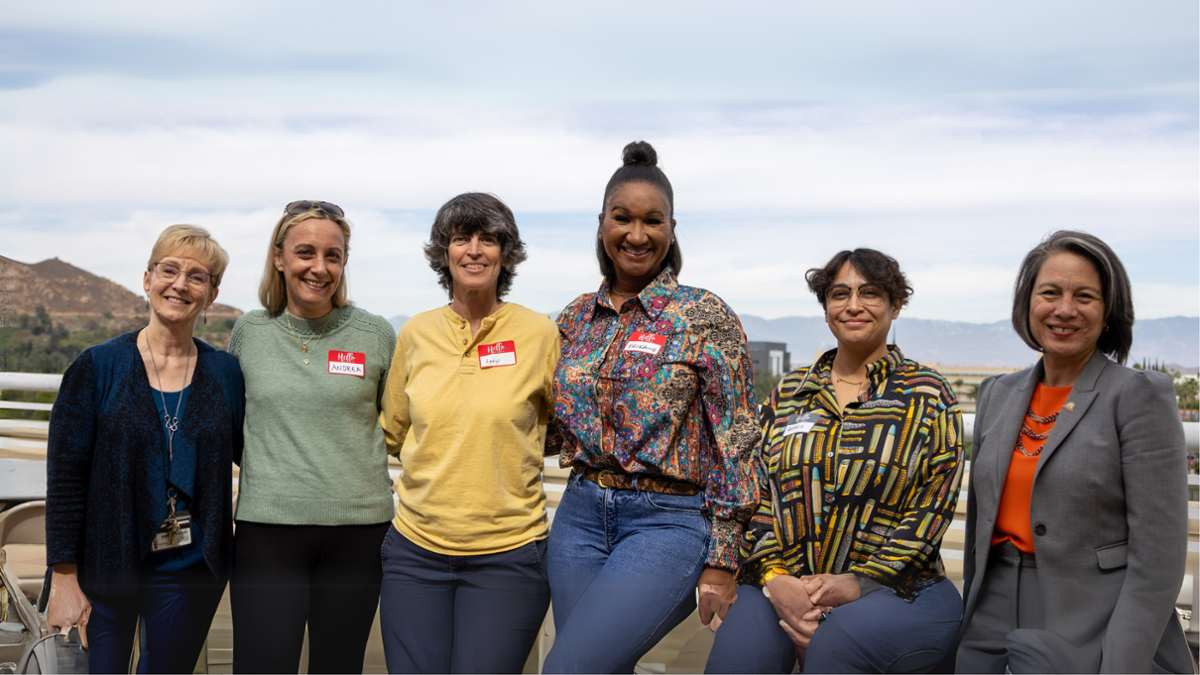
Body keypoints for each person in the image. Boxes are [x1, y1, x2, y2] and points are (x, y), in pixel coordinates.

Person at [543, 141, 761, 673]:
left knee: (569, 668)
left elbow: (737, 440)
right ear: (602, 223)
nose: (636, 234)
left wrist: (724, 559)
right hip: (578, 518)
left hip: (667, 524)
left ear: (671, 228)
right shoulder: (574, 318)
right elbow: (546, 427)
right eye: (623, 218)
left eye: (652, 221)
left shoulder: (703, 315)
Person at [706, 248, 965, 674]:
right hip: (785, 579)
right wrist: (775, 577)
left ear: (896, 305)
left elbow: (931, 506)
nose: (854, 305)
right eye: (839, 293)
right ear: (826, 308)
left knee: (836, 648)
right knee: (739, 657)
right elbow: (756, 491)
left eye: (871, 293)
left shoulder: (927, 394)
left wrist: (855, 583)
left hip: (894, 587)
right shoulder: (788, 393)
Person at [954, 230, 1191, 674]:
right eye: (1050, 293)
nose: (1065, 309)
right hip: (991, 604)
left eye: (1085, 296)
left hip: (1093, 614)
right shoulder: (997, 394)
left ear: (1108, 314)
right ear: (1028, 303)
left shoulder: (1138, 396)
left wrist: (1121, 664)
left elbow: (1158, 563)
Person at [45, 224, 243, 673]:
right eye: (169, 270)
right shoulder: (97, 367)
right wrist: (64, 577)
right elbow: (65, 480)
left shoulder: (225, 372)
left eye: (197, 276)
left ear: (211, 294)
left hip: (189, 571)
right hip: (105, 567)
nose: (180, 284)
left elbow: (258, 451)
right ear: (147, 279)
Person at [377, 192, 558, 673]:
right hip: (414, 553)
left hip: (509, 556)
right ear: (444, 252)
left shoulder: (539, 334)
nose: (474, 250)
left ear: (507, 253)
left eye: (489, 239)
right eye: (461, 239)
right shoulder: (415, 334)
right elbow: (393, 433)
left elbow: (561, 428)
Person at [228, 200, 395, 674]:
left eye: (333, 256)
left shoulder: (375, 335)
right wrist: (276, 469)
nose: (319, 268)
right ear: (279, 257)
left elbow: (397, 423)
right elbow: (238, 424)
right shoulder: (249, 333)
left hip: (359, 537)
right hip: (268, 533)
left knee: (339, 668)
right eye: (305, 253)